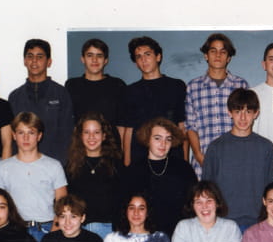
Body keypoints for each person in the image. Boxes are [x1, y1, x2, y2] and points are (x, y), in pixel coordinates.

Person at [202, 88, 273, 230]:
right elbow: (207, 189)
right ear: (229, 113)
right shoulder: (216, 147)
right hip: (223, 222)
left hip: (257, 222)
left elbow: (269, 187)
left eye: (248, 112)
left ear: (256, 113)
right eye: (237, 111)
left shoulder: (266, 147)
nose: (243, 118)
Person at [0, 112, 68, 242]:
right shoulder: (2, 167)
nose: (26, 138)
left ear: (39, 136)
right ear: (14, 135)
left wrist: (54, 232)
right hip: (15, 230)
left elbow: (62, 202)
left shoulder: (54, 166)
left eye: (31, 133)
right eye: (21, 132)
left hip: (46, 229)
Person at [119, 118, 197, 238]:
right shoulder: (133, 171)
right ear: (147, 139)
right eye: (157, 138)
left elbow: (193, 205)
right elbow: (123, 210)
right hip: (143, 238)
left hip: (179, 236)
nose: (163, 144)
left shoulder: (184, 169)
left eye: (168, 139)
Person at [185, 33, 248, 177]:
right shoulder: (193, 87)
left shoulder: (240, 85)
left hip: (235, 161)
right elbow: (190, 126)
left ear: (228, 57)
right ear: (206, 55)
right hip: (203, 162)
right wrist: (199, 156)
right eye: (213, 51)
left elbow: (246, 123)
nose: (218, 55)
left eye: (223, 52)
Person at [121, 36, 186, 165]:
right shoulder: (130, 91)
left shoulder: (176, 86)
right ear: (136, 63)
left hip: (172, 155)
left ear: (158, 57)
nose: (143, 60)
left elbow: (182, 126)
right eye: (138, 57)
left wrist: (184, 162)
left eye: (147, 54)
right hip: (140, 158)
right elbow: (128, 131)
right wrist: (127, 163)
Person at [9, 39, 74, 164]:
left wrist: (60, 165)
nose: (34, 61)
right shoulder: (15, 97)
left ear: (49, 62)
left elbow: (67, 135)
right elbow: (12, 138)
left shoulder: (61, 94)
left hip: (54, 164)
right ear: (24, 61)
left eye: (39, 57)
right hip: (22, 164)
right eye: (30, 56)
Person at [65, 113, 123, 240]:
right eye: (87, 132)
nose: (91, 137)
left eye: (96, 132)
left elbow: (122, 202)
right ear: (80, 136)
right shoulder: (71, 167)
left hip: (109, 231)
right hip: (79, 230)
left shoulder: (116, 165)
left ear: (104, 136)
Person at [65, 38, 126, 139]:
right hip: (81, 145)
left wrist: (122, 149)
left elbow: (122, 125)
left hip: (111, 146)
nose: (94, 60)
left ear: (105, 60)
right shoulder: (72, 85)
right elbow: (70, 123)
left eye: (99, 56)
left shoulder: (117, 85)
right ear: (83, 59)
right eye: (90, 55)